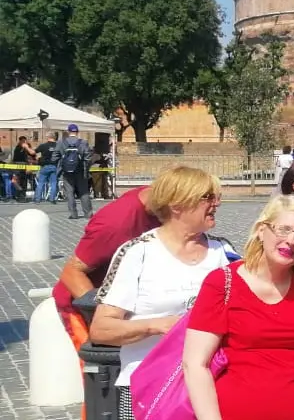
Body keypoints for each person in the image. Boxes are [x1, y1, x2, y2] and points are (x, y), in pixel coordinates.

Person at [184, 195, 294, 420]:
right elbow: (195, 364)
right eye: (282, 229)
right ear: (261, 230)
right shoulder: (222, 283)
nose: (291, 241)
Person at [89, 167, 235, 418]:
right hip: (150, 388)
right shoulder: (138, 252)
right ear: (177, 205)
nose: (216, 203)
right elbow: (101, 329)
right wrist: (159, 325)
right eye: (207, 197)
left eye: (216, 197)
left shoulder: (223, 251)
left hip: (210, 385)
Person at [52, 185, 160, 368]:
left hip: (126, 304)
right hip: (86, 306)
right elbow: (71, 272)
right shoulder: (117, 223)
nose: (216, 204)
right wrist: (104, 318)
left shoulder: (153, 201)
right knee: (100, 373)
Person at [60, 124, 92, 217]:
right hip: (80, 170)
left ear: (68, 132)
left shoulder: (62, 142)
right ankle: (88, 213)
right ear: (77, 132)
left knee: (69, 192)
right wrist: (86, 168)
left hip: (66, 172)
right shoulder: (83, 142)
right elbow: (88, 157)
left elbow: (56, 156)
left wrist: (61, 167)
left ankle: (73, 213)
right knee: (83, 192)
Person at [34, 132, 58, 204]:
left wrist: (38, 158)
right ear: (54, 137)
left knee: (41, 183)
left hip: (45, 166)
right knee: (53, 183)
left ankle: (38, 199)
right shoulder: (58, 146)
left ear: (48, 137)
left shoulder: (43, 145)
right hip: (54, 166)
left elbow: (34, 152)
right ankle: (52, 199)